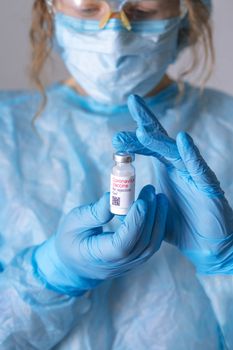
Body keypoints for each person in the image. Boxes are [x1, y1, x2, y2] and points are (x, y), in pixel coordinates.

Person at [0, 0, 233, 349]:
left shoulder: (226, 127)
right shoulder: (7, 132)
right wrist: (53, 272)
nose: (113, 39)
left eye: (142, 12)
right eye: (86, 9)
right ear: (49, 8)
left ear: (187, 13)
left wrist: (226, 264)